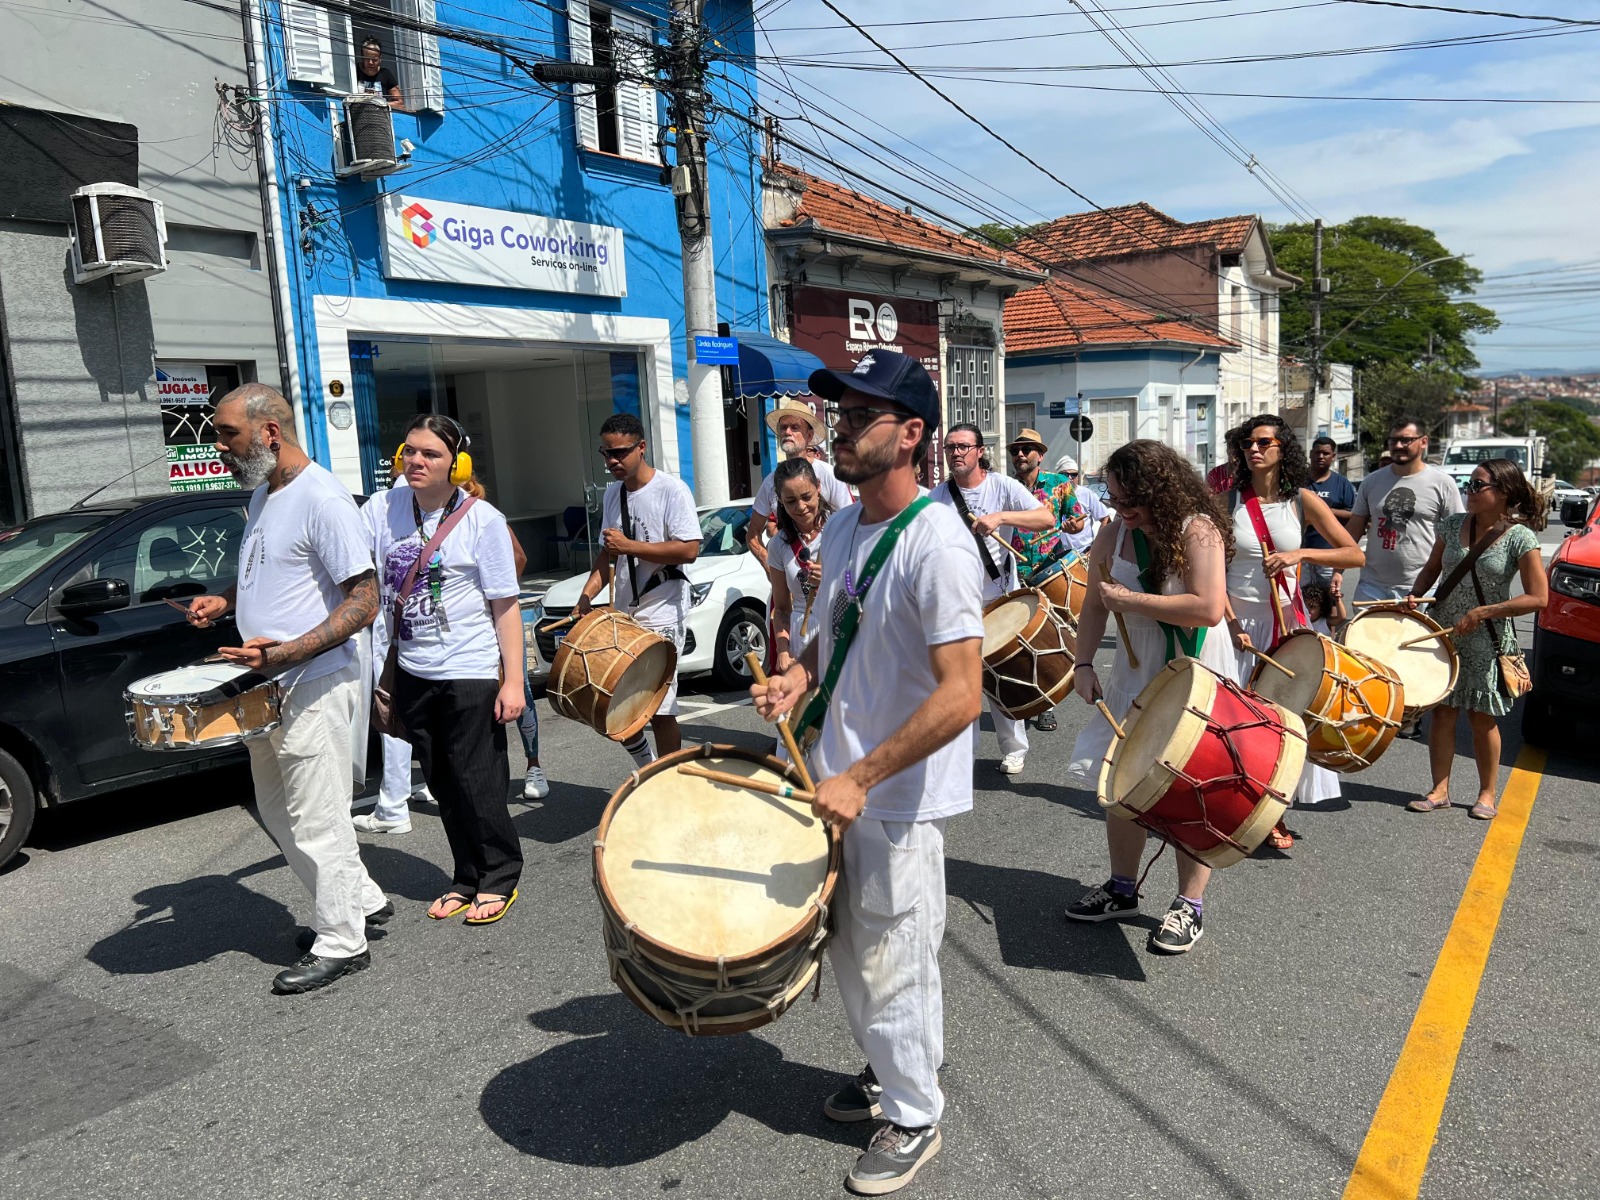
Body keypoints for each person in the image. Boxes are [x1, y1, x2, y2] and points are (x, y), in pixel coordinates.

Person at [751, 348, 982, 1196]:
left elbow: (962, 695)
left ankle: (915, 1114)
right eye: (840, 415)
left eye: (859, 417)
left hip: (895, 798)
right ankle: (887, 1071)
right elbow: (831, 633)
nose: (840, 431)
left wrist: (865, 776)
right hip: (836, 780)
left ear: (911, 432)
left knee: (898, 956)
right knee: (850, 946)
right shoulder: (846, 524)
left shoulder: (939, 546)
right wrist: (796, 678)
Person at [186, 384, 389, 995]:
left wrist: (285, 652)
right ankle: (361, 901)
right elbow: (271, 569)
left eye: (228, 434)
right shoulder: (263, 494)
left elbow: (365, 599)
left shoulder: (322, 498)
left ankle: (342, 940)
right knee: (278, 810)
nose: (219, 447)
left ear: (270, 431)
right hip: (265, 682)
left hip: (312, 680)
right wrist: (224, 599)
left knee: (316, 815)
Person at [1063, 440, 1234, 955]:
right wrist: (1084, 663)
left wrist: (1130, 599)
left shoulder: (1198, 530)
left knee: (1193, 785)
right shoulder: (1114, 534)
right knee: (1125, 780)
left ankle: (1189, 905)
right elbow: (1094, 605)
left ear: (1159, 488)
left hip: (1199, 666)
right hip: (1138, 673)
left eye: (1129, 498)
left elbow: (1207, 608)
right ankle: (1122, 889)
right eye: (1113, 499)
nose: (1120, 509)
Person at [367, 415, 526, 925]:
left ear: (456, 465)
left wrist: (515, 680)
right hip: (413, 668)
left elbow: (505, 606)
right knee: (440, 781)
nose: (416, 460)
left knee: (477, 778)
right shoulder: (383, 507)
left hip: (469, 667)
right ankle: (465, 875)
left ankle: (499, 876)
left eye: (431, 454)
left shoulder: (483, 521)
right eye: (410, 450)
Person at [1218, 416, 1363, 849]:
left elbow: (1353, 554)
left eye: (1264, 442)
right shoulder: (1226, 502)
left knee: (1282, 721)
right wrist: (1228, 622)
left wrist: (1297, 553)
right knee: (1232, 720)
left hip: (1285, 622)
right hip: (1233, 626)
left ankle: (1273, 809)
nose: (1254, 449)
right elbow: (1211, 573)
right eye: (1247, 443)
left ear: (1283, 448)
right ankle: (1234, 804)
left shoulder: (1300, 501)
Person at [1405, 459, 1548, 820]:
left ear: (1503, 493)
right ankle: (1439, 790)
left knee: (1481, 717)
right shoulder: (1452, 525)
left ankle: (1487, 793)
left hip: (1487, 634)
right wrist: (1415, 594)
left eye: (1477, 485)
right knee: (1443, 712)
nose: (1469, 491)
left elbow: (1538, 597)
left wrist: (1484, 612)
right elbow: (1432, 570)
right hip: (1445, 629)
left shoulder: (1520, 537)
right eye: (1468, 484)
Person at [577, 413, 700, 766]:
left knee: (659, 706)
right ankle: (648, 768)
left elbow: (689, 549)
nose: (612, 461)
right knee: (614, 702)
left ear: (641, 447)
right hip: (625, 613)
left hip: (662, 606)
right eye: (606, 453)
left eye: (620, 453)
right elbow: (607, 552)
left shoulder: (671, 490)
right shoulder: (614, 494)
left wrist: (630, 546)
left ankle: (669, 779)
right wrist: (586, 597)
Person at [931, 423, 1053, 776]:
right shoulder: (938, 496)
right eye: (950, 447)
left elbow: (1044, 517)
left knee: (1002, 677)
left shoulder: (1001, 486)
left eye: (963, 447)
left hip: (997, 597)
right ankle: (960, 756)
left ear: (980, 451)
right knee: (959, 682)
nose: (956, 453)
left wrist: (1000, 517)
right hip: (955, 603)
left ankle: (1014, 749)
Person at [1005, 431, 1086, 732]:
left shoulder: (1059, 485)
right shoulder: (1005, 488)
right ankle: (1026, 701)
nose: (1020, 455)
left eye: (1027, 450)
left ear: (1040, 454)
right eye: (1016, 450)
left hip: (1049, 571)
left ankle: (1047, 705)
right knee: (1018, 643)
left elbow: (1078, 524)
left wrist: (1071, 524)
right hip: (1013, 573)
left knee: (1047, 640)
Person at [1346, 417, 1462, 605]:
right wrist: (1337, 571)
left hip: (1420, 588)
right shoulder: (1372, 482)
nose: (1398, 445)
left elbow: (1457, 535)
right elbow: (1353, 531)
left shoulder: (1442, 484)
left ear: (1423, 442)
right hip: (1372, 587)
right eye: (1393, 441)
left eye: (1406, 440)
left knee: (1416, 636)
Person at [747, 398, 853, 568]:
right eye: (783, 428)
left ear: (809, 436)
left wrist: (834, 566)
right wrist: (770, 566)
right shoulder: (770, 483)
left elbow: (851, 523)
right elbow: (752, 533)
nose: (787, 432)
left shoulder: (829, 475)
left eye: (795, 427)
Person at [766, 457, 832, 674]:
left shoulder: (840, 529)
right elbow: (783, 608)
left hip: (837, 632)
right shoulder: (778, 544)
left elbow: (864, 587)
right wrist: (783, 650)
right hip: (800, 638)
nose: (801, 507)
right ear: (780, 500)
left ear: (818, 487)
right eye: (791, 501)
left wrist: (832, 579)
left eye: (806, 497)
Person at [1303, 435, 1357, 590]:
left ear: (1333, 457)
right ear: (1311, 454)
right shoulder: (1299, 481)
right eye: (1317, 452)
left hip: (1329, 553)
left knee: (1329, 599)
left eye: (1326, 453)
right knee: (1301, 599)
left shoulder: (1342, 483)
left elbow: (1352, 514)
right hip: (1300, 551)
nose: (1320, 456)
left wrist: (1323, 511)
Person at [1055, 454, 1109, 556]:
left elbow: (1105, 518)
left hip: (1083, 552)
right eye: (1065, 475)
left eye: (1074, 474)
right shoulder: (1052, 496)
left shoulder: (1087, 493)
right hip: (1059, 553)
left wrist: (1096, 547)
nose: (1070, 478)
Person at [355, 37, 404, 108]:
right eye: (367, 59)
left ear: (380, 59)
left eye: (374, 60)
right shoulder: (354, 71)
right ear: (362, 57)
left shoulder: (385, 74)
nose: (370, 63)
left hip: (380, 117)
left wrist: (380, 105)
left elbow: (400, 103)